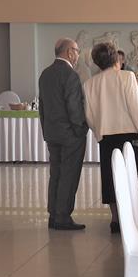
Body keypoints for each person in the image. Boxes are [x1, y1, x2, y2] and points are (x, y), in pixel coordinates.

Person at [84, 41, 138, 234]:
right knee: (131, 176)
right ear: (115, 58)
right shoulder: (127, 77)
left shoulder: (90, 84)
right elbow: (135, 105)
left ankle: (115, 219)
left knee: (110, 177)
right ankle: (132, 217)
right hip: (128, 133)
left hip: (106, 135)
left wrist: (98, 133)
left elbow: (89, 115)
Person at [37, 37, 89, 231]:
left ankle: (53, 214)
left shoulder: (45, 74)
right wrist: (81, 130)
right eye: (77, 50)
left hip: (52, 133)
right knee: (69, 175)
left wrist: (46, 130)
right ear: (69, 52)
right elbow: (74, 108)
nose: (78, 55)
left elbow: (42, 107)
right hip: (70, 135)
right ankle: (63, 216)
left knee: (56, 174)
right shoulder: (70, 75)